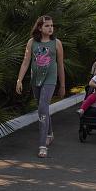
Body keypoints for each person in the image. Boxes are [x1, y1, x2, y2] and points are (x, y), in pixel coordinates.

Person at [16, 15, 66, 158]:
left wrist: (62, 85)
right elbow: (26, 62)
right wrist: (19, 80)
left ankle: (42, 145)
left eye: (52, 25)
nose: (50, 28)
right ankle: (49, 133)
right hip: (36, 79)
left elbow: (61, 65)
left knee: (43, 108)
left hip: (50, 79)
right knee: (42, 108)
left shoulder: (57, 43)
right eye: (47, 26)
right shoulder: (32, 42)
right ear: (39, 27)